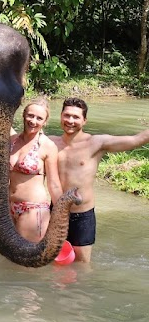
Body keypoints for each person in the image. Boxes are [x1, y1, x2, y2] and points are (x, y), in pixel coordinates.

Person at [49, 97, 149, 263]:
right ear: (60, 116)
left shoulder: (96, 143)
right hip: (56, 210)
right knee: (52, 259)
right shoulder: (50, 143)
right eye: (67, 115)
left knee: (81, 265)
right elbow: (20, 139)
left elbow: (136, 140)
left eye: (76, 117)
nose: (70, 121)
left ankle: (79, 290)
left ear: (84, 120)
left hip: (82, 215)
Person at [8, 98, 62, 242]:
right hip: (8, 207)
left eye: (39, 118)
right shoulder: (13, 140)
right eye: (30, 115)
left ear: (45, 122)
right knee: (4, 259)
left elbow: (54, 184)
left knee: (24, 261)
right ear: (23, 115)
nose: (33, 121)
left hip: (33, 209)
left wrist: (62, 217)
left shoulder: (47, 146)